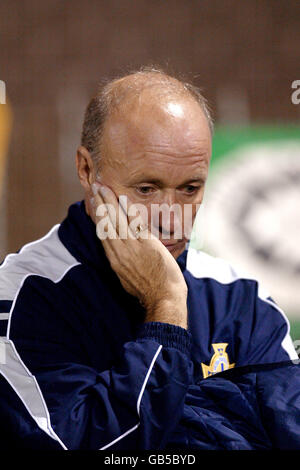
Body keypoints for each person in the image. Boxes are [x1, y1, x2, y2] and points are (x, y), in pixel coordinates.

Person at [0, 68, 299, 451]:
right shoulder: (21, 303)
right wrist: (167, 307)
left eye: (190, 188)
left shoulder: (243, 299)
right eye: (146, 189)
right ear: (87, 170)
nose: (172, 217)